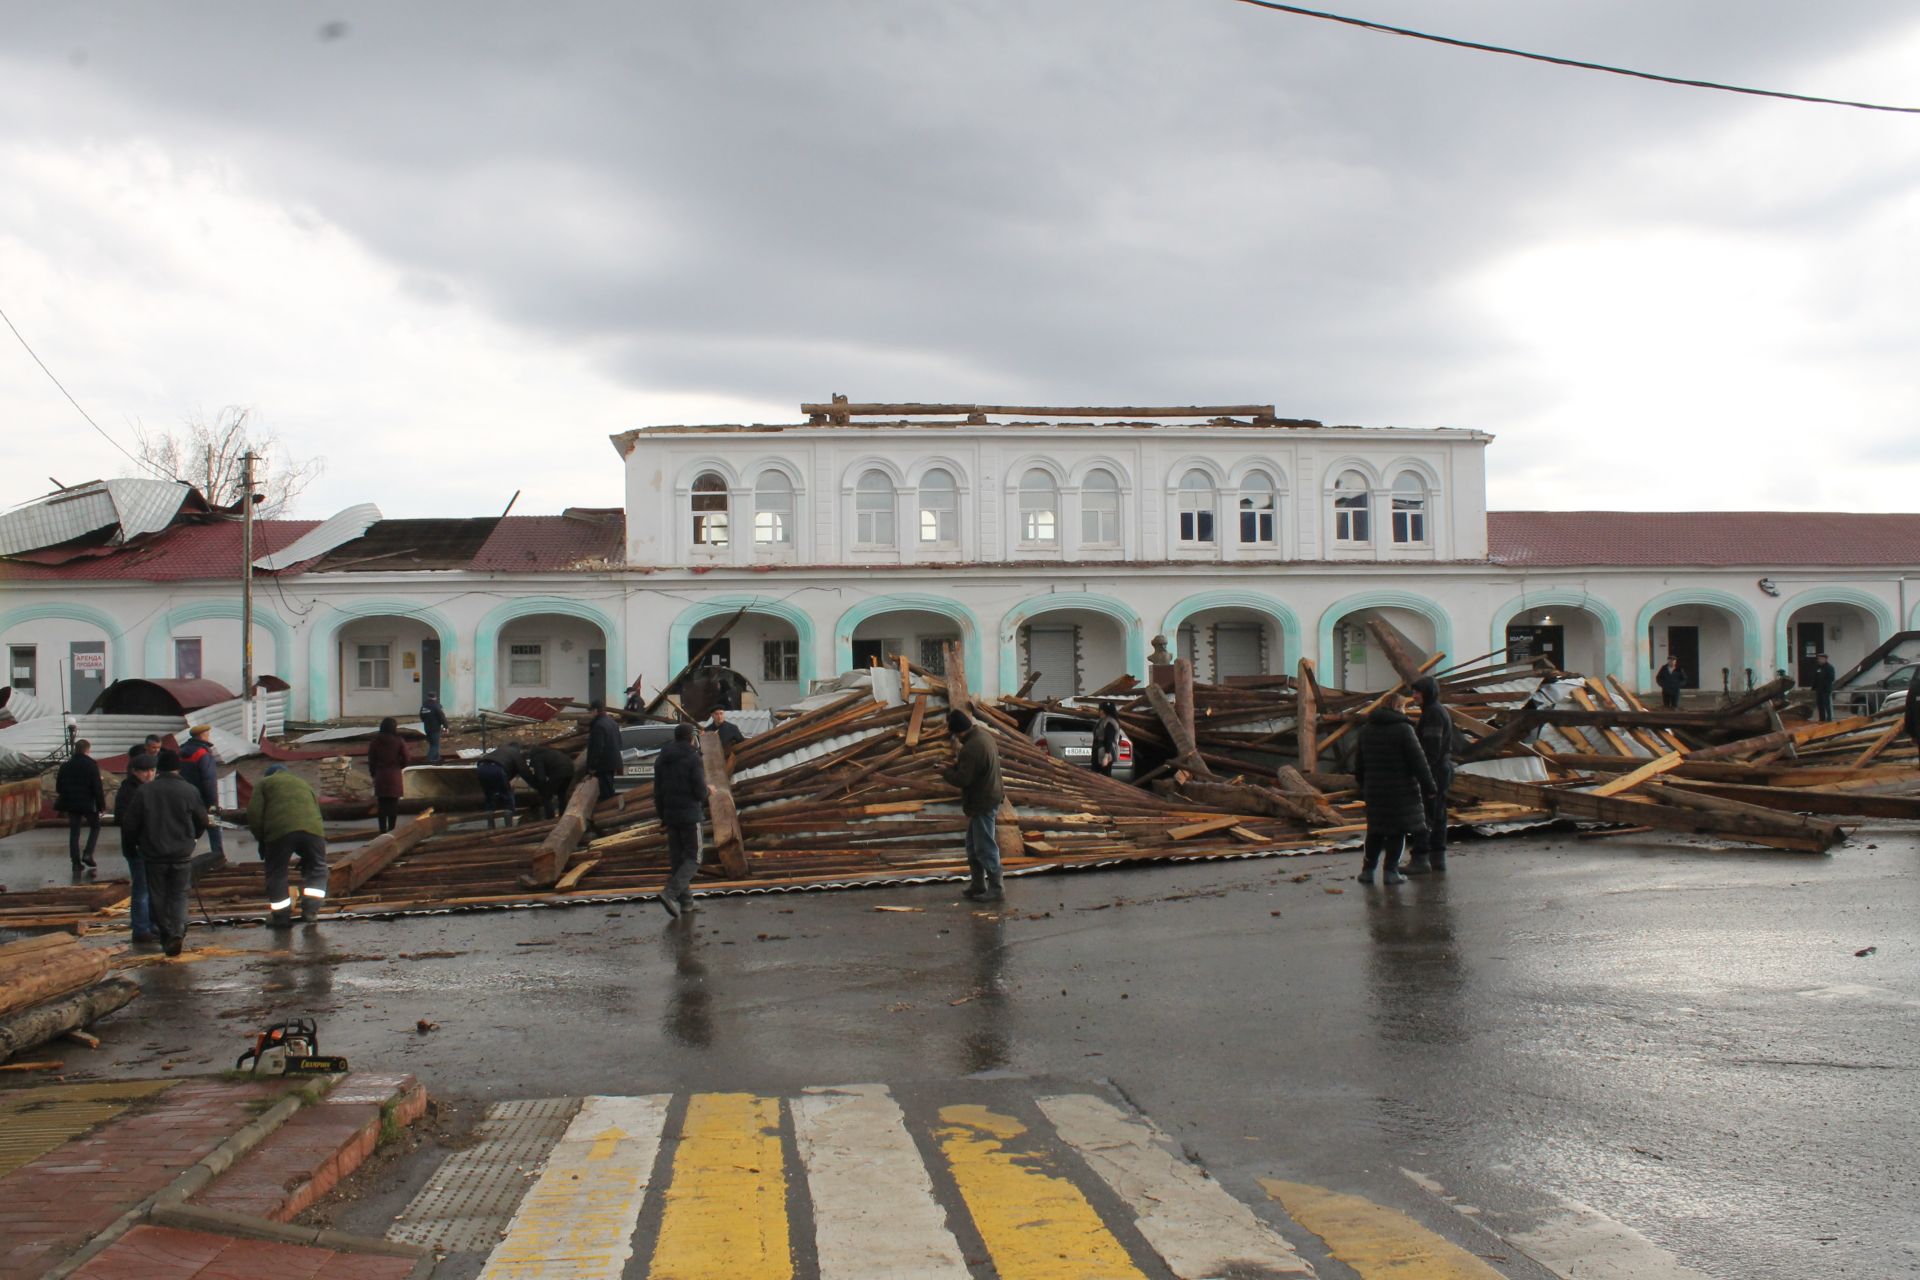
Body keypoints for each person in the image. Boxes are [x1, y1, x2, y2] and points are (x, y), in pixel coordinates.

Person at [120, 748, 207, 957]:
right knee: (179, 895)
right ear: (179, 767)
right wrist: (193, 837)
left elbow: (129, 824)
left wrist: (131, 847)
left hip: (154, 854)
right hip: (182, 854)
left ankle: (167, 934)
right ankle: (177, 931)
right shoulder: (189, 790)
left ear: (159, 768)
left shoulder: (145, 791)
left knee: (157, 896)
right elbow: (202, 820)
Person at [1353, 694, 1436, 886]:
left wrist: (1364, 785)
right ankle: (1391, 871)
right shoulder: (1404, 730)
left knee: (1375, 831)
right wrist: (1430, 786)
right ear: (1398, 708)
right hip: (1401, 791)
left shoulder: (1366, 730)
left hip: (1375, 791)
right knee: (1397, 832)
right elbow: (1419, 762)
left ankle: (1367, 871)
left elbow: (1359, 764)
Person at [245, 764, 330, 927]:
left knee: (277, 872)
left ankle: (281, 917)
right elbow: (315, 810)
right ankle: (311, 911)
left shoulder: (264, 783)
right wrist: (310, 849)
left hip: (280, 832)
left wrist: (262, 839)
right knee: (318, 868)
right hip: (313, 830)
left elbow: (254, 814)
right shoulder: (302, 783)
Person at [939, 709, 1006, 902]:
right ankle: (978, 884)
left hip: (983, 801)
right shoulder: (984, 736)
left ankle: (996, 888)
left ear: (959, 732)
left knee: (985, 846)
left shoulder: (972, 748)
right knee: (973, 845)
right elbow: (975, 769)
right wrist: (952, 766)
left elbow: (963, 779)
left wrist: (945, 772)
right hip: (988, 796)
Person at [652, 723, 709, 919]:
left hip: (670, 814)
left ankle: (686, 902)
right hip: (690, 815)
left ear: (676, 738)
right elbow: (700, 791)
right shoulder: (694, 758)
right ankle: (670, 893)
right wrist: (710, 791)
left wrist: (662, 816)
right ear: (691, 738)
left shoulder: (661, 759)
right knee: (695, 857)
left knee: (678, 859)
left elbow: (657, 791)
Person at [1403, 677, 1455, 875]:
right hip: (1440, 769)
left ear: (1428, 693)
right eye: (1413, 692)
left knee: (1426, 816)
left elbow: (1431, 749)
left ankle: (1421, 858)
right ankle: (1437, 859)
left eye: (1417, 692)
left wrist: (1424, 775)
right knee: (1437, 815)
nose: (1414, 696)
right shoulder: (1434, 710)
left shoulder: (1433, 713)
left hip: (1435, 771)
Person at [114, 751, 158, 942]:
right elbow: (124, 821)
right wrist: (139, 842)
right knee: (142, 889)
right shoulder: (129, 791)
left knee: (149, 888)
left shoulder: (147, 789)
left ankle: (149, 924)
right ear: (135, 772)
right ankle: (141, 929)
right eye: (144, 771)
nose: (149, 774)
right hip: (138, 848)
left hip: (149, 847)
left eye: (151, 770)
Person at [54, 739, 105, 880]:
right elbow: (97, 788)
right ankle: (88, 853)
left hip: (71, 803)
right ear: (87, 750)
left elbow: (58, 787)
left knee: (74, 833)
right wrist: (102, 806)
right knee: (95, 827)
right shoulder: (91, 765)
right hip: (88, 803)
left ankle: (76, 863)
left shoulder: (65, 766)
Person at [176, 724, 226, 869]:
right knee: (213, 826)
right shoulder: (203, 753)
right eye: (207, 733)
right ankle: (218, 859)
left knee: (190, 829)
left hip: (185, 796)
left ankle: (182, 858)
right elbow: (208, 779)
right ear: (203, 735)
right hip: (202, 798)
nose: (209, 735)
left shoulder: (182, 751)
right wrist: (212, 802)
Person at [365, 717, 410, 834]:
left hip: (380, 776)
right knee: (393, 806)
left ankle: (382, 830)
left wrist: (373, 773)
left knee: (382, 805)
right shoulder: (399, 741)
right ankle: (391, 830)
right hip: (394, 776)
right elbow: (406, 758)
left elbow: (371, 760)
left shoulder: (375, 742)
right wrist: (400, 766)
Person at [476, 742, 526, 828]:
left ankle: (490, 827)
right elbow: (524, 771)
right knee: (507, 795)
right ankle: (508, 827)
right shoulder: (516, 753)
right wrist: (537, 784)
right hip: (497, 768)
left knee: (489, 795)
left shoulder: (500, 750)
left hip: (481, 767)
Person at [526, 744, 579, 819]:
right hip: (570, 770)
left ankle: (550, 818)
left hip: (559, 771)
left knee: (546, 795)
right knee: (562, 794)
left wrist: (540, 787)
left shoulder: (536, 757)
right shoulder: (550, 752)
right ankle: (563, 815)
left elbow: (541, 777)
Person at [584, 698, 622, 802]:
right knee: (609, 789)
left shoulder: (598, 725)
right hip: (612, 762)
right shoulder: (612, 722)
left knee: (605, 793)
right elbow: (619, 741)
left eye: (591, 711)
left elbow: (597, 748)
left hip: (603, 765)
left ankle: (607, 813)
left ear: (596, 711)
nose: (590, 714)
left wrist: (592, 766)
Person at [1091, 702, 1121, 778]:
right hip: (1099, 750)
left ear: (1103, 710)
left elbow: (1109, 739)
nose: (1099, 711)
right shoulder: (1103, 720)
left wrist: (1106, 757)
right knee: (1096, 774)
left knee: (1105, 775)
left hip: (1105, 751)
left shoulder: (1110, 722)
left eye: (1100, 709)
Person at [418, 693, 450, 764]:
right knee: (435, 745)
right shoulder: (436, 706)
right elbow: (442, 717)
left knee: (432, 744)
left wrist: (426, 721)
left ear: (428, 697)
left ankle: (437, 759)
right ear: (435, 697)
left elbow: (421, 716)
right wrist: (446, 727)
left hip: (427, 728)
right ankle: (429, 760)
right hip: (435, 729)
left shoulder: (424, 706)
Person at [1809, 652, 1837, 722]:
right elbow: (1815, 677)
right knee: (1820, 705)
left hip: (1825, 689)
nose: (1819, 660)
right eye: (1818, 659)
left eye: (1821, 658)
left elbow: (1831, 678)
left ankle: (1829, 719)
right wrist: (1814, 687)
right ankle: (1822, 719)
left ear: (1825, 659)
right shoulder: (1818, 667)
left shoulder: (1829, 667)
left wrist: (1824, 682)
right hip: (1819, 689)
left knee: (1826, 705)